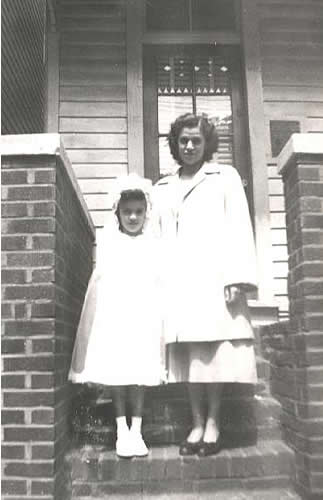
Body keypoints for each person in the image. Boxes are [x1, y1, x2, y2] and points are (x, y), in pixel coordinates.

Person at [154, 113, 258, 457]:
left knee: (213, 355)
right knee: (189, 357)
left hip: (215, 278)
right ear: (175, 143)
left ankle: (214, 423)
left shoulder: (224, 177)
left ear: (206, 143)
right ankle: (196, 423)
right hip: (179, 282)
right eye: (183, 140)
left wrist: (237, 278)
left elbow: (239, 227)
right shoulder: (163, 187)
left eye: (196, 140)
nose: (189, 146)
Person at [69, 174, 165, 459]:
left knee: (139, 372)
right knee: (118, 371)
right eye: (127, 212)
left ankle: (137, 427)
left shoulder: (152, 241)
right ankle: (121, 426)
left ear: (146, 212)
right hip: (117, 314)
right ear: (118, 213)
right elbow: (104, 279)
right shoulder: (110, 239)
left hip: (143, 315)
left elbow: (156, 280)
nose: (133, 217)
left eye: (138, 211)